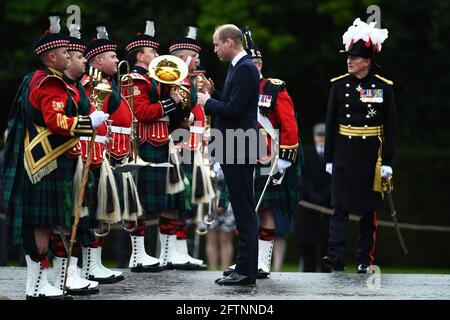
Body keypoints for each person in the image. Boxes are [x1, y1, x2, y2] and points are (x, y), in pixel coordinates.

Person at [2, 16, 107, 299]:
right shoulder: (51, 83)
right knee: (40, 225)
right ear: (51, 56)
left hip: (44, 162)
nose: (70, 55)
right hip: (45, 164)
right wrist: (89, 122)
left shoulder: (42, 79)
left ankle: (39, 285)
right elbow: (56, 122)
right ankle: (36, 288)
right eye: (64, 53)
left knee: (45, 224)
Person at [221, 27, 299, 279]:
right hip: (243, 148)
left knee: (264, 209)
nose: (253, 67)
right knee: (244, 208)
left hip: (268, 154)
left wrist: (286, 156)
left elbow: (288, 123)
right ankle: (245, 260)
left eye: (256, 63)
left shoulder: (274, 88)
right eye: (250, 63)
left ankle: (262, 261)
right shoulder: (238, 80)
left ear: (260, 64)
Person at [322, 18, 397, 273]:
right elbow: (331, 124)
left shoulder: (383, 87)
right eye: (349, 56)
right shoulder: (339, 85)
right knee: (339, 208)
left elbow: (391, 128)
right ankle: (335, 256)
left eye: (355, 57)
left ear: (367, 61)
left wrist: (387, 162)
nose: (349, 61)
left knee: (368, 212)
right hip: (344, 153)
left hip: (370, 156)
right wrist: (329, 158)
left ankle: (364, 259)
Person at [197, 24, 260, 286]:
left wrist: (206, 102)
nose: (215, 49)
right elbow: (234, 104)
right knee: (242, 207)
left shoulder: (245, 68)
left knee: (244, 210)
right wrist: (214, 95)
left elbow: (234, 110)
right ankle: (244, 266)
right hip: (234, 144)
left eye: (216, 44)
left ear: (230, 41)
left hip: (240, 145)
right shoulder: (238, 67)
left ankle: (246, 271)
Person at [298, 123, 331, 272]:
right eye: (319, 135)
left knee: (327, 240)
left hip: (328, 204)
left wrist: (325, 195)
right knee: (307, 240)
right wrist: (311, 194)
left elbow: (336, 178)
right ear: (314, 136)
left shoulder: (333, 153)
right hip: (309, 203)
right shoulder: (306, 153)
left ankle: (326, 271)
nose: (321, 138)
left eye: (324, 135)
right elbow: (302, 177)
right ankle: (307, 272)